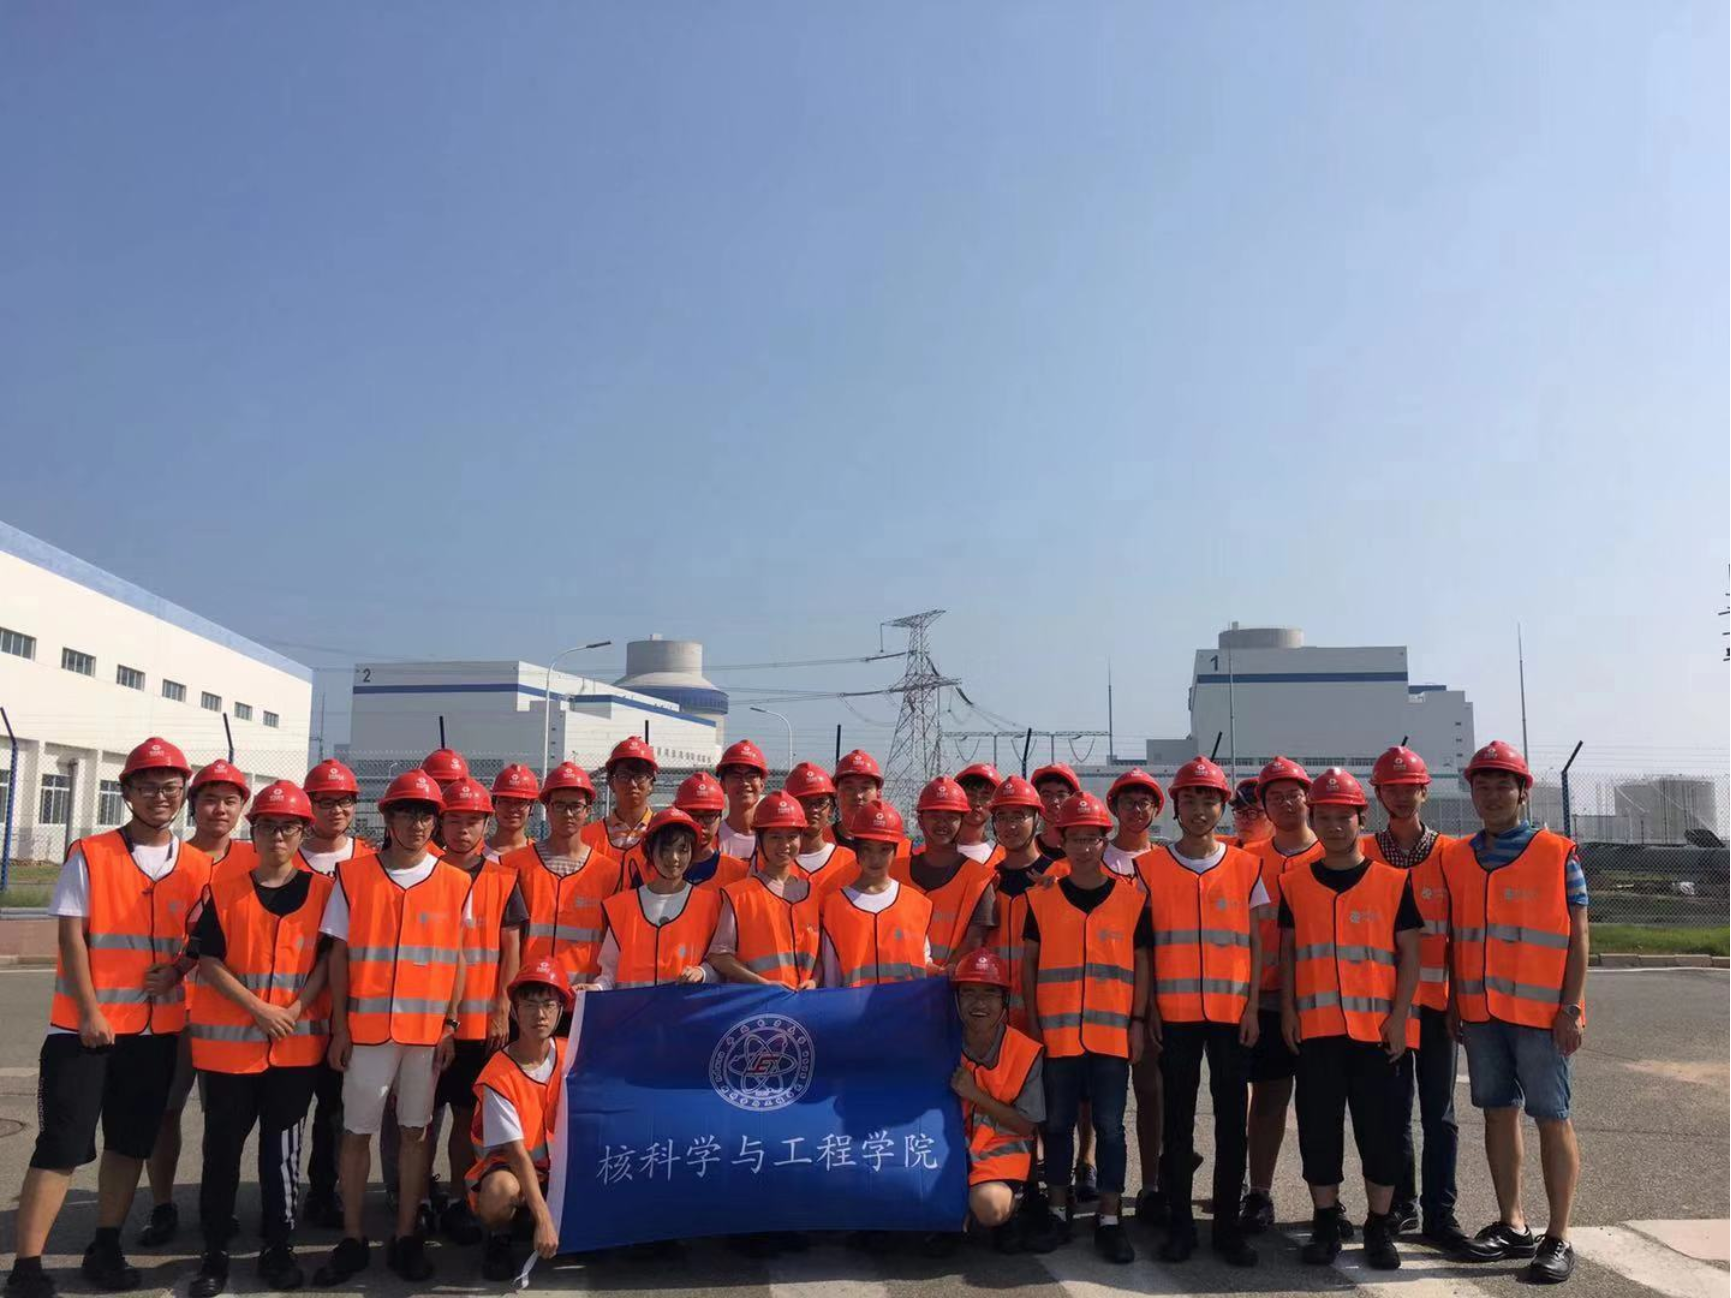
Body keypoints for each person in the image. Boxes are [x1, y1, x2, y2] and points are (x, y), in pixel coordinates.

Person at [7, 738, 212, 1298]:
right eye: (148, 787)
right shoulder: (91, 854)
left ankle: (105, 1246)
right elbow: (71, 936)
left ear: (183, 794)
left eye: (171, 787)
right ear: (127, 792)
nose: (160, 797)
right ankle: (27, 1266)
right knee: (62, 1146)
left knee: (129, 1145)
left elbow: (201, 938)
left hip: (154, 1032)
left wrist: (179, 969)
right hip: (84, 1032)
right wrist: (90, 1010)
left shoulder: (197, 865)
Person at [316, 769, 473, 1286]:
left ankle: (407, 1236)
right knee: (356, 1133)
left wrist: (450, 1023)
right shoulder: (353, 876)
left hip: (426, 1036)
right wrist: (340, 1027)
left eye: (426, 814)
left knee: (415, 1133)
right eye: (405, 812)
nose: (416, 823)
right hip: (367, 1033)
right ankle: (352, 1237)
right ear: (387, 817)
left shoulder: (456, 882)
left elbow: (457, 959)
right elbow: (339, 956)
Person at [1442, 741, 1589, 1285]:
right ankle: (1513, 1223)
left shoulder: (1557, 853)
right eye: (1482, 786)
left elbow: (1579, 936)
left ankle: (1559, 1235)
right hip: (1481, 1013)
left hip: (1542, 1014)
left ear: (1523, 792)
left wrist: (1571, 1007)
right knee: (1498, 1113)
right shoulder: (1458, 856)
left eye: (1503, 785)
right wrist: (1455, 1001)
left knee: (1552, 1116)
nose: (1492, 795)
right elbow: (1456, 934)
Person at [184, 781, 333, 1297]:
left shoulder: (324, 893)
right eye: (268, 826)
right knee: (221, 1150)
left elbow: (325, 963)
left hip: (294, 1048)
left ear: (303, 832)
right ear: (254, 831)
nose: (278, 836)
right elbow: (208, 960)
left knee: (282, 1153)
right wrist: (258, 1008)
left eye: (288, 827)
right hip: (229, 1052)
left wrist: (293, 1009)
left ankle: (278, 1245)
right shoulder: (224, 889)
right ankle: (214, 1252)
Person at [1280, 768, 1422, 1272]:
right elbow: (1289, 954)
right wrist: (1290, 1011)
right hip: (1317, 1031)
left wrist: (1400, 1018)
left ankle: (1379, 1225)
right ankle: (1325, 1220)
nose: (1335, 826)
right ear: (1313, 819)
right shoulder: (1294, 884)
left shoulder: (1393, 882)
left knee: (1381, 1133)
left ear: (1363, 818)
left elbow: (1410, 955)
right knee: (1319, 1131)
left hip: (1379, 1034)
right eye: (1325, 817)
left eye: (1345, 817)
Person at [1139, 756, 1264, 1265]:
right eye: (1189, 799)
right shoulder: (1150, 869)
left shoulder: (1247, 866)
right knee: (1178, 1122)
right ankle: (1180, 1225)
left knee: (1233, 1121)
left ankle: (1228, 1228)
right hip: (1174, 1014)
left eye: (1209, 799)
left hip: (1232, 1014)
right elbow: (1145, 947)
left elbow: (1257, 944)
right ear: (1175, 806)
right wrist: (1149, 1006)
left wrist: (1252, 1007)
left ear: (1222, 807)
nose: (1198, 809)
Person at [1021, 792, 1150, 1265]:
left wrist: (1138, 1022)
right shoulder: (1042, 900)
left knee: (1110, 1128)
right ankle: (1058, 1210)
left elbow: (1142, 964)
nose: (1082, 847)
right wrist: (1035, 1024)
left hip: (1112, 1037)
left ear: (1104, 841)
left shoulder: (1131, 900)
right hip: (1057, 1037)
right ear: (1063, 842)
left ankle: (1110, 1218)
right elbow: (1030, 965)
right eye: (1074, 839)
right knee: (1057, 1125)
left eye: (1091, 839)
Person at [137, 759, 253, 1250]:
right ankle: (163, 1204)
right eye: (209, 799)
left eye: (230, 800)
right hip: (174, 1011)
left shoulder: (254, 859)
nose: (219, 810)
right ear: (192, 803)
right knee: (165, 1110)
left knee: (222, 1118)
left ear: (242, 807)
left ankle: (216, 1204)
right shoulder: (172, 860)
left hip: (230, 1015)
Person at [1362, 745, 1467, 1250]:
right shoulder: (1363, 851)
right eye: (1392, 789)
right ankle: (1402, 1204)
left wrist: (1459, 1000)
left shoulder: (1453, 854)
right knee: (1392, 1111)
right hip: (1384, 1008)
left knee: (1439, 1114)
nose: (1402, 797)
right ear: (1378, 794)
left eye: (1411, 788)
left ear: (1425, 791)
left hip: (1438, 1005)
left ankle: (1441, 1213)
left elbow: (1463, 935)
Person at [432, 777, 527, 1246]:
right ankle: (423, 1199)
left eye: (472, 820)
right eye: (454, 819)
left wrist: (502, 1005)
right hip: (426, 1022)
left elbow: (511, 948)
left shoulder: (503, 878)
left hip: (480, 1025)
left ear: (486, 825)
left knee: (467, 1117)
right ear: (441, 823)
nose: (463, 829)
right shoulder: (424, 872)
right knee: (419, 1122)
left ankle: (461, 1197)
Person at [1240, 755, 1326, 1235]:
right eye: (1275, 796)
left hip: (1323, 999)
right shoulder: (1249, 859)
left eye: (1293, 794)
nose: (1286, 803)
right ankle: (1259, 1191)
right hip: (1266, 997)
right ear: (1265, 805)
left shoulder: (1336, 851)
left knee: (1320, 1105)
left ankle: (1326, 1200)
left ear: (1308, 798)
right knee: (1268, 1098)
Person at [467, 960, 571, 1283]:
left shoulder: (571, 1055)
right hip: (515, 1169)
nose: (539, 1014)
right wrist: (544, 1218)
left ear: (560, 1010)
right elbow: (516, 1153)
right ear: (514, 1012)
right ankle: (500, 1237)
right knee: (498, 1193)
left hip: (560, 1171)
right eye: (529, 1005)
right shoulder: (498, 1074)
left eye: (548, 1004)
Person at [297, 758, 367, 1229]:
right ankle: (283, 1192)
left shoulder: (369, 858)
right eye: (325, 801)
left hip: (350, 1006)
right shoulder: (288, 855)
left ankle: (326, 1191)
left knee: (337, 1110)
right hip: (296, 1007)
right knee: (288, 1111)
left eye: (344, 801)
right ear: (310, 805)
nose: (336, 809)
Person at [948, 950, 1044, 1254]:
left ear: (1004, 1001)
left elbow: (1026, 1125)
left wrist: (976, 1095)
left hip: (998, 1159)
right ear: (956, 1000)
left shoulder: (1024, 1051)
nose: (979, 1003)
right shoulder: (941, 1043)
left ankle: (1011, 1211)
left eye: (989, 993)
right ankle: (950, 1218)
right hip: (949, 1153)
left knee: (989, 1205)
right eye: (969, 993)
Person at [503, 763, 627, 993]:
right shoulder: (514, 864)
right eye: (559, 805)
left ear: (588, 810)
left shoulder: (609, 872)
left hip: (582, 994)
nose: (568, 814)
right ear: (547, 808)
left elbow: (615, 943)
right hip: (528, 996)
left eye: (575, 806)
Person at [592, 809, 722, 989]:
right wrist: (596, 988)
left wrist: (703, 972)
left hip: (684, 1006)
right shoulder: (623, 906)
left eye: (682, 850)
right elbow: (609, 973)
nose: (674, 858)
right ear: (650, 851)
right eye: (665, 849)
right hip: (634, 1006)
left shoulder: (710, 905)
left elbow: (719, 965)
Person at [711, 792, 823, 989]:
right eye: (775, 837)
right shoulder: (738, 896)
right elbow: (719, 956)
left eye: (792, 836)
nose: (784, 845)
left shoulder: (813, 893)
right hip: (758, 1002)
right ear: (760, 839)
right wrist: (763, 984)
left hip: (804, 1001)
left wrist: (814, 981)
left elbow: (820, 955)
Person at [819, 802, 934, 987]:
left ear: (895, 851)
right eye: (867, 848)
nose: (875, 858)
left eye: (884, 849)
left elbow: (923, 961)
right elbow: (831, 976)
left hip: (906, 1004)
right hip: (854, 1004)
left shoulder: (917, 903)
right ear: (856, 850)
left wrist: (942, 972)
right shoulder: (835, 905)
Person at [895, 777, 997, 970]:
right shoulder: (894, 871)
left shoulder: (979, 879)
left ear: (962, 820)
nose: (942, 823)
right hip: (899, 982)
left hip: (950, 982)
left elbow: (975, 940)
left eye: (951, 817)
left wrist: (940, 976)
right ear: (920, 820)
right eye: (934, 815)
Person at [622, 771, 750, 892]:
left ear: (720, 817)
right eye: (692, 814)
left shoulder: (738, 871)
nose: (700, 824)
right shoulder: (649, 868)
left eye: (709, 816)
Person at [785, 763, 858, 898]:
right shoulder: (774, 858)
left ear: (831, 809)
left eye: (820, 802)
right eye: (804, 801)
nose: (814, 809)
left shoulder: (849, 860)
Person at [582, 737, 658, 859]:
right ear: (611, 782)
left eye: (640, 776)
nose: (632, 784)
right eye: (624, 776)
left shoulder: (663, 831)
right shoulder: (587, 836)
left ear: (651, 784)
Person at [716, 739, 770, 858]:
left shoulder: (776, 840)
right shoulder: (713, 838)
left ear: (762, 785)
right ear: (722, 785)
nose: (744, 783)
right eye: (736, 776)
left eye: (751, 776)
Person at [1103, 768, 1162, 878]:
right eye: (1128, 802)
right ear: (1114, 808)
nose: (1136, 810)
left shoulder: (1165, 860)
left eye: (1144, 803)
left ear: (1155, 809)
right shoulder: (1096, 857)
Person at [830, 749, 886, 853]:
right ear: (836, 793)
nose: (858, 796)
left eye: (865, 788)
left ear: (878, 794)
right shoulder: (818, 843)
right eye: (849, 788)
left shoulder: (900, 847)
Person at [954, 763, 1004, 864]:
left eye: (985, 796)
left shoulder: (1003, 857)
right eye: (970, 794)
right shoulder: (934, 851)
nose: (977, 802)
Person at [1029, 764, 1081, 861]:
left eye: (1061, 795)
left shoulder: (1086, 851)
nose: (1054, 801)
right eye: (1046, 795)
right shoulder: (1027, 850)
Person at [487, 764, 541, 857]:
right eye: (505, 801)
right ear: (494, 804)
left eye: (520, 802)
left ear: (531, 807)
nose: (512, 808)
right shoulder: (474, 854)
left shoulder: (540, 856)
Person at [1227, 779, 1272, 847]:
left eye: (1252, 813)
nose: (1244, 820)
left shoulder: (1285, 851)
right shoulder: (1222, 849)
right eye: (1239, 812)